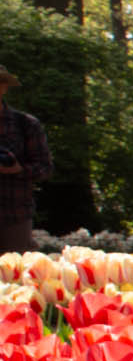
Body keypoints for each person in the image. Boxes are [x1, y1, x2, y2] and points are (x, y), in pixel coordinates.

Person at [0, 68, 52, 254]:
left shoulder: (25, 124)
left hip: (14, 216)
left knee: (15, 270)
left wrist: (17, 170)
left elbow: (45, 168)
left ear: (4, 87)